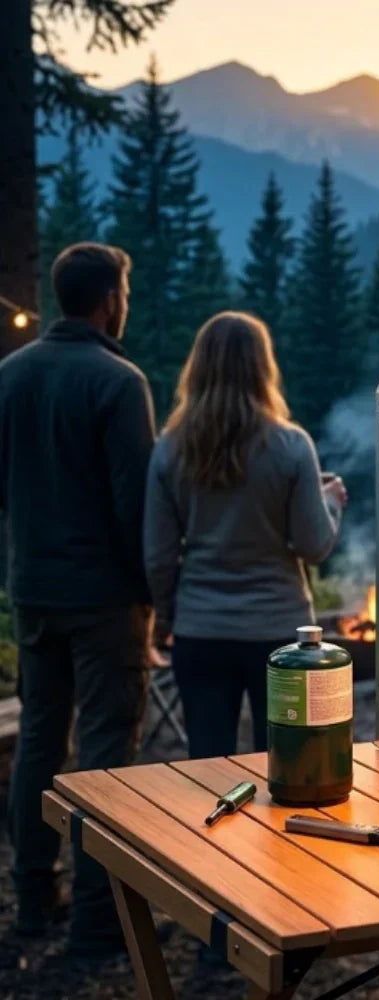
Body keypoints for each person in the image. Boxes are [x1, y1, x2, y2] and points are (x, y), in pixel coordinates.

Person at [0, 243, 155, 954]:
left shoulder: (10, 375)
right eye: (124, 292)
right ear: (106, 299)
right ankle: (100, 916)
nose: (125, 303)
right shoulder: (118, 382)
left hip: (34, 591)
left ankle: (35, 900)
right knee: (104, 751)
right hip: (105, 600)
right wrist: (153, 595)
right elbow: (135, 507)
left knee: (38, 741)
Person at [144, 311, 345, 760]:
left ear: (197, 368)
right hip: (279, 633)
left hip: (200, 630)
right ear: (263, 367)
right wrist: (330, 501)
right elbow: (314, 547)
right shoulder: (291, 446)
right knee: (286, 762)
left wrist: (166, 619)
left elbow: (157, 556)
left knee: (207, 766)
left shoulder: (170, 449)